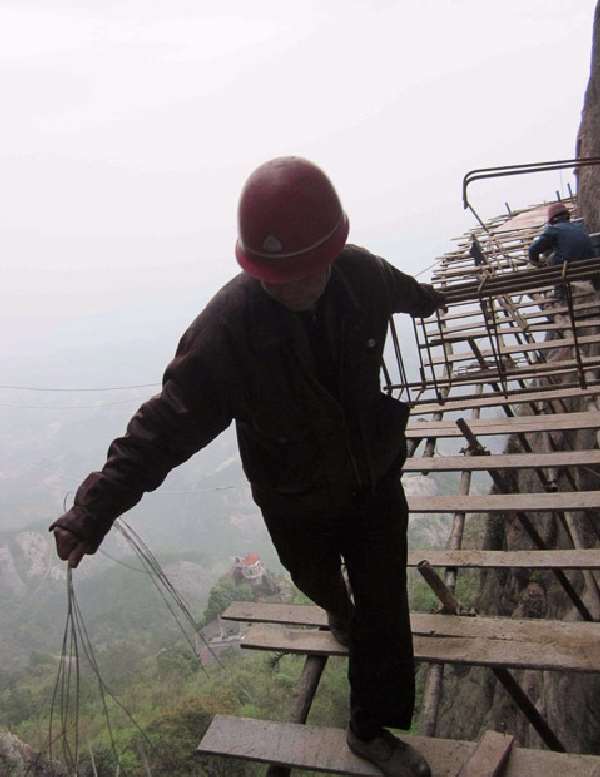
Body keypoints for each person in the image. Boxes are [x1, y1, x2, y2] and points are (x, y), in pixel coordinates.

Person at [50, 157, 444, 777]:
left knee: (385, 610)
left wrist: (431, 302)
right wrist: (92, 511)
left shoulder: (362, 276)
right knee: (321, 585)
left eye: (302, 272)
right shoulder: (229, 331)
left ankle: (371, 729)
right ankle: (337, 609)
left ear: (333, 252)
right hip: (295, 501)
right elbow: (163, 427)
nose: (288, 286)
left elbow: (410, 292)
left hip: (372, 482)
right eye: (273, 276)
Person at [528, 202, 595, 299]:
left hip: (569, 267)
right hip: (591, 264)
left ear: (552, 220)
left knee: (550, 258)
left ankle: (560, 292)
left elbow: (533, 249)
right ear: (567, 216)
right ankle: (597, 286)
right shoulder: (579, 226)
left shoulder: (553, 229)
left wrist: (536, 262)